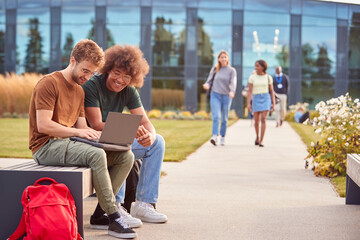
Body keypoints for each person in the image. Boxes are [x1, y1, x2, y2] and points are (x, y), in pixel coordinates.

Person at [29, 39, 136, 239]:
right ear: (73, 60)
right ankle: (114, 217)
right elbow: (43, 125)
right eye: (85, 70)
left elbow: (82, 127)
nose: (87, 76)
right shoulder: (49, 83)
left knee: (125, 156)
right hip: (45, 146)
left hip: (68, 144)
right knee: (96, 155)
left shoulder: (79, 90)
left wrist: (102, 138)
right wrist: (80, 134)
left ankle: (100, 214)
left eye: (92, 73)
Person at [82, 45, 168, 228]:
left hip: (114, 141)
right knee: (123, 142)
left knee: (158, 142)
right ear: (108, 69)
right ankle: (117, 206)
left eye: (127, 77)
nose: (120, 80)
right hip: (93, 145)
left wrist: (150, 136)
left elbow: (145, 122)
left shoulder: (129, 91)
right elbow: (96, 123)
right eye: (117, 73)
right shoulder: (92, 86)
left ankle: (144, 204)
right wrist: (128, 130)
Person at [202, 50, 237, 146]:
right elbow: (209, 81)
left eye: (225, 57)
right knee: (216, 116)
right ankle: (214, 136)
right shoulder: (215, 69)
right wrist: (206, 85)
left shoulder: (231, 71)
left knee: (224, 118)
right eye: (222, 57)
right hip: (215, 94)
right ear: (219, 59)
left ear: (228, 58)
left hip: (226, 96)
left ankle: (222, 137)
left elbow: (233, 82)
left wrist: (232, 91)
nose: (223, 59)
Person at [247, 60, 275, 147]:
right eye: (255, 66)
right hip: (256, 98)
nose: (256, 67)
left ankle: (261, 140)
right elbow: (250, 91)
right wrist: (248, 103)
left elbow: (271, 91)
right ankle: (257, 137)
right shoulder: (252, 77)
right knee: (256, 121)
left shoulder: (268, 77)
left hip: (266, 98)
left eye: (257, 66)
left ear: (263, 67)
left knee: (263, 119)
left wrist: (273, 103)